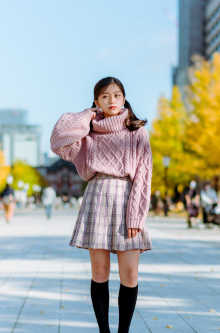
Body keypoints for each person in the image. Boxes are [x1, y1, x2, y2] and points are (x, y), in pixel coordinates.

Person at [50, 77, 153, 333]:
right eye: (105, 96)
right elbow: (58, 140)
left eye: (117, 95)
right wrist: (86, 115)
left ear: (124, 98)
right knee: (100, 274)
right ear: (97, 101)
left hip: (127, 199)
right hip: (97, 197)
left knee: (130, 275)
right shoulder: (87, 134)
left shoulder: (136, 132)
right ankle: (104, 331)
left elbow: (144, 176)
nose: (112, 101)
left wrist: (136, 217)